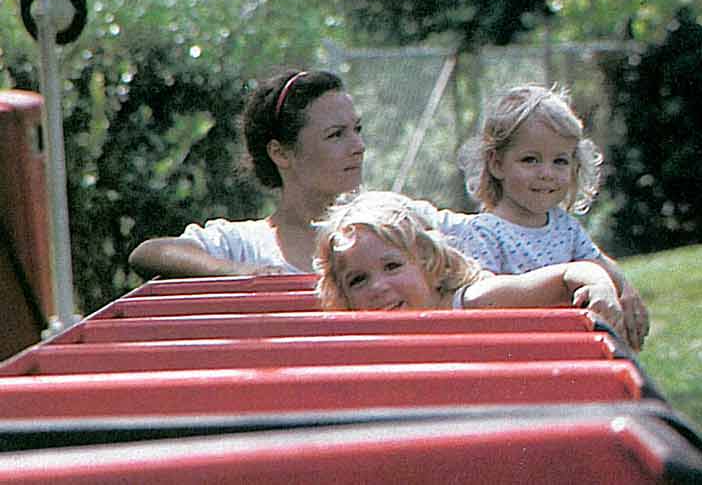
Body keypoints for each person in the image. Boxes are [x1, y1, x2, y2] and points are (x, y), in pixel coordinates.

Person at [453, 83, 648, 347]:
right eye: (530, 160)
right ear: (497, 164)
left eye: (560, 161)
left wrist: (625, 290)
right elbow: (481, 300)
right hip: (513, 355)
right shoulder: (483, 232)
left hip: (567, 347)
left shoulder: (565, 227)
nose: (546, 173)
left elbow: (599, 263)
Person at [313, 191, 638, 348]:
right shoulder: (359, 340)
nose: (378, 287)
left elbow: (569, 274)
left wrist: (600, 287)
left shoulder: (468, 302)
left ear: (428, 261)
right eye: (358, 279)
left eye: (392, 266)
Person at [129, 69, 365, 277]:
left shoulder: (380, 234)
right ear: (280, 153)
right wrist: (239, 272)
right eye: (336, 134)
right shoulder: (245, 246)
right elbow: (149, 253)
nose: (359, 146)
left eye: (357, 129)